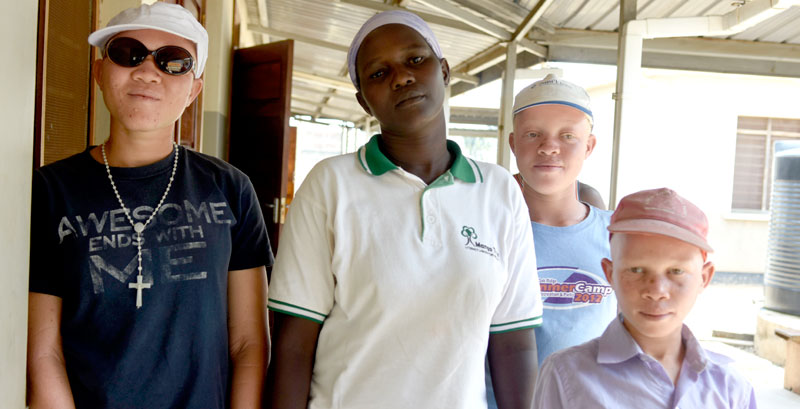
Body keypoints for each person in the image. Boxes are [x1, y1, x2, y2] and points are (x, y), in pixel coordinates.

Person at [266, 10, 542, 409]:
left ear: (444, 70)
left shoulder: (498, 191)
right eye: (379, 73)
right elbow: (293, 346)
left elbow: (513, 343)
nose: (402, 77)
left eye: (415, 59)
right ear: (364, 100)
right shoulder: (331, 185)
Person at [27, 3, 272, 408]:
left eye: (173, 62)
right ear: (99, 72)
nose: (146, 72)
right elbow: (42, 352)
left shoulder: (230, 189)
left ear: (194, 89)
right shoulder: (49, 191)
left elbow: (248, 342)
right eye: (128, 54)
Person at [533, 188, 757, 408]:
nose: (656, 290)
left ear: (704, 278)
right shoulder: (567, 376)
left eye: (676, 271)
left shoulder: (730, 388)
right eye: (637, 270)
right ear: (610, 274)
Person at [486, 74, 617, 408]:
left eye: (568, 135)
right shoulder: (483, 230)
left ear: (589, 146)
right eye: (533, 134)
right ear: (513, 144)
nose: (549, 146)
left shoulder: (620, 236)